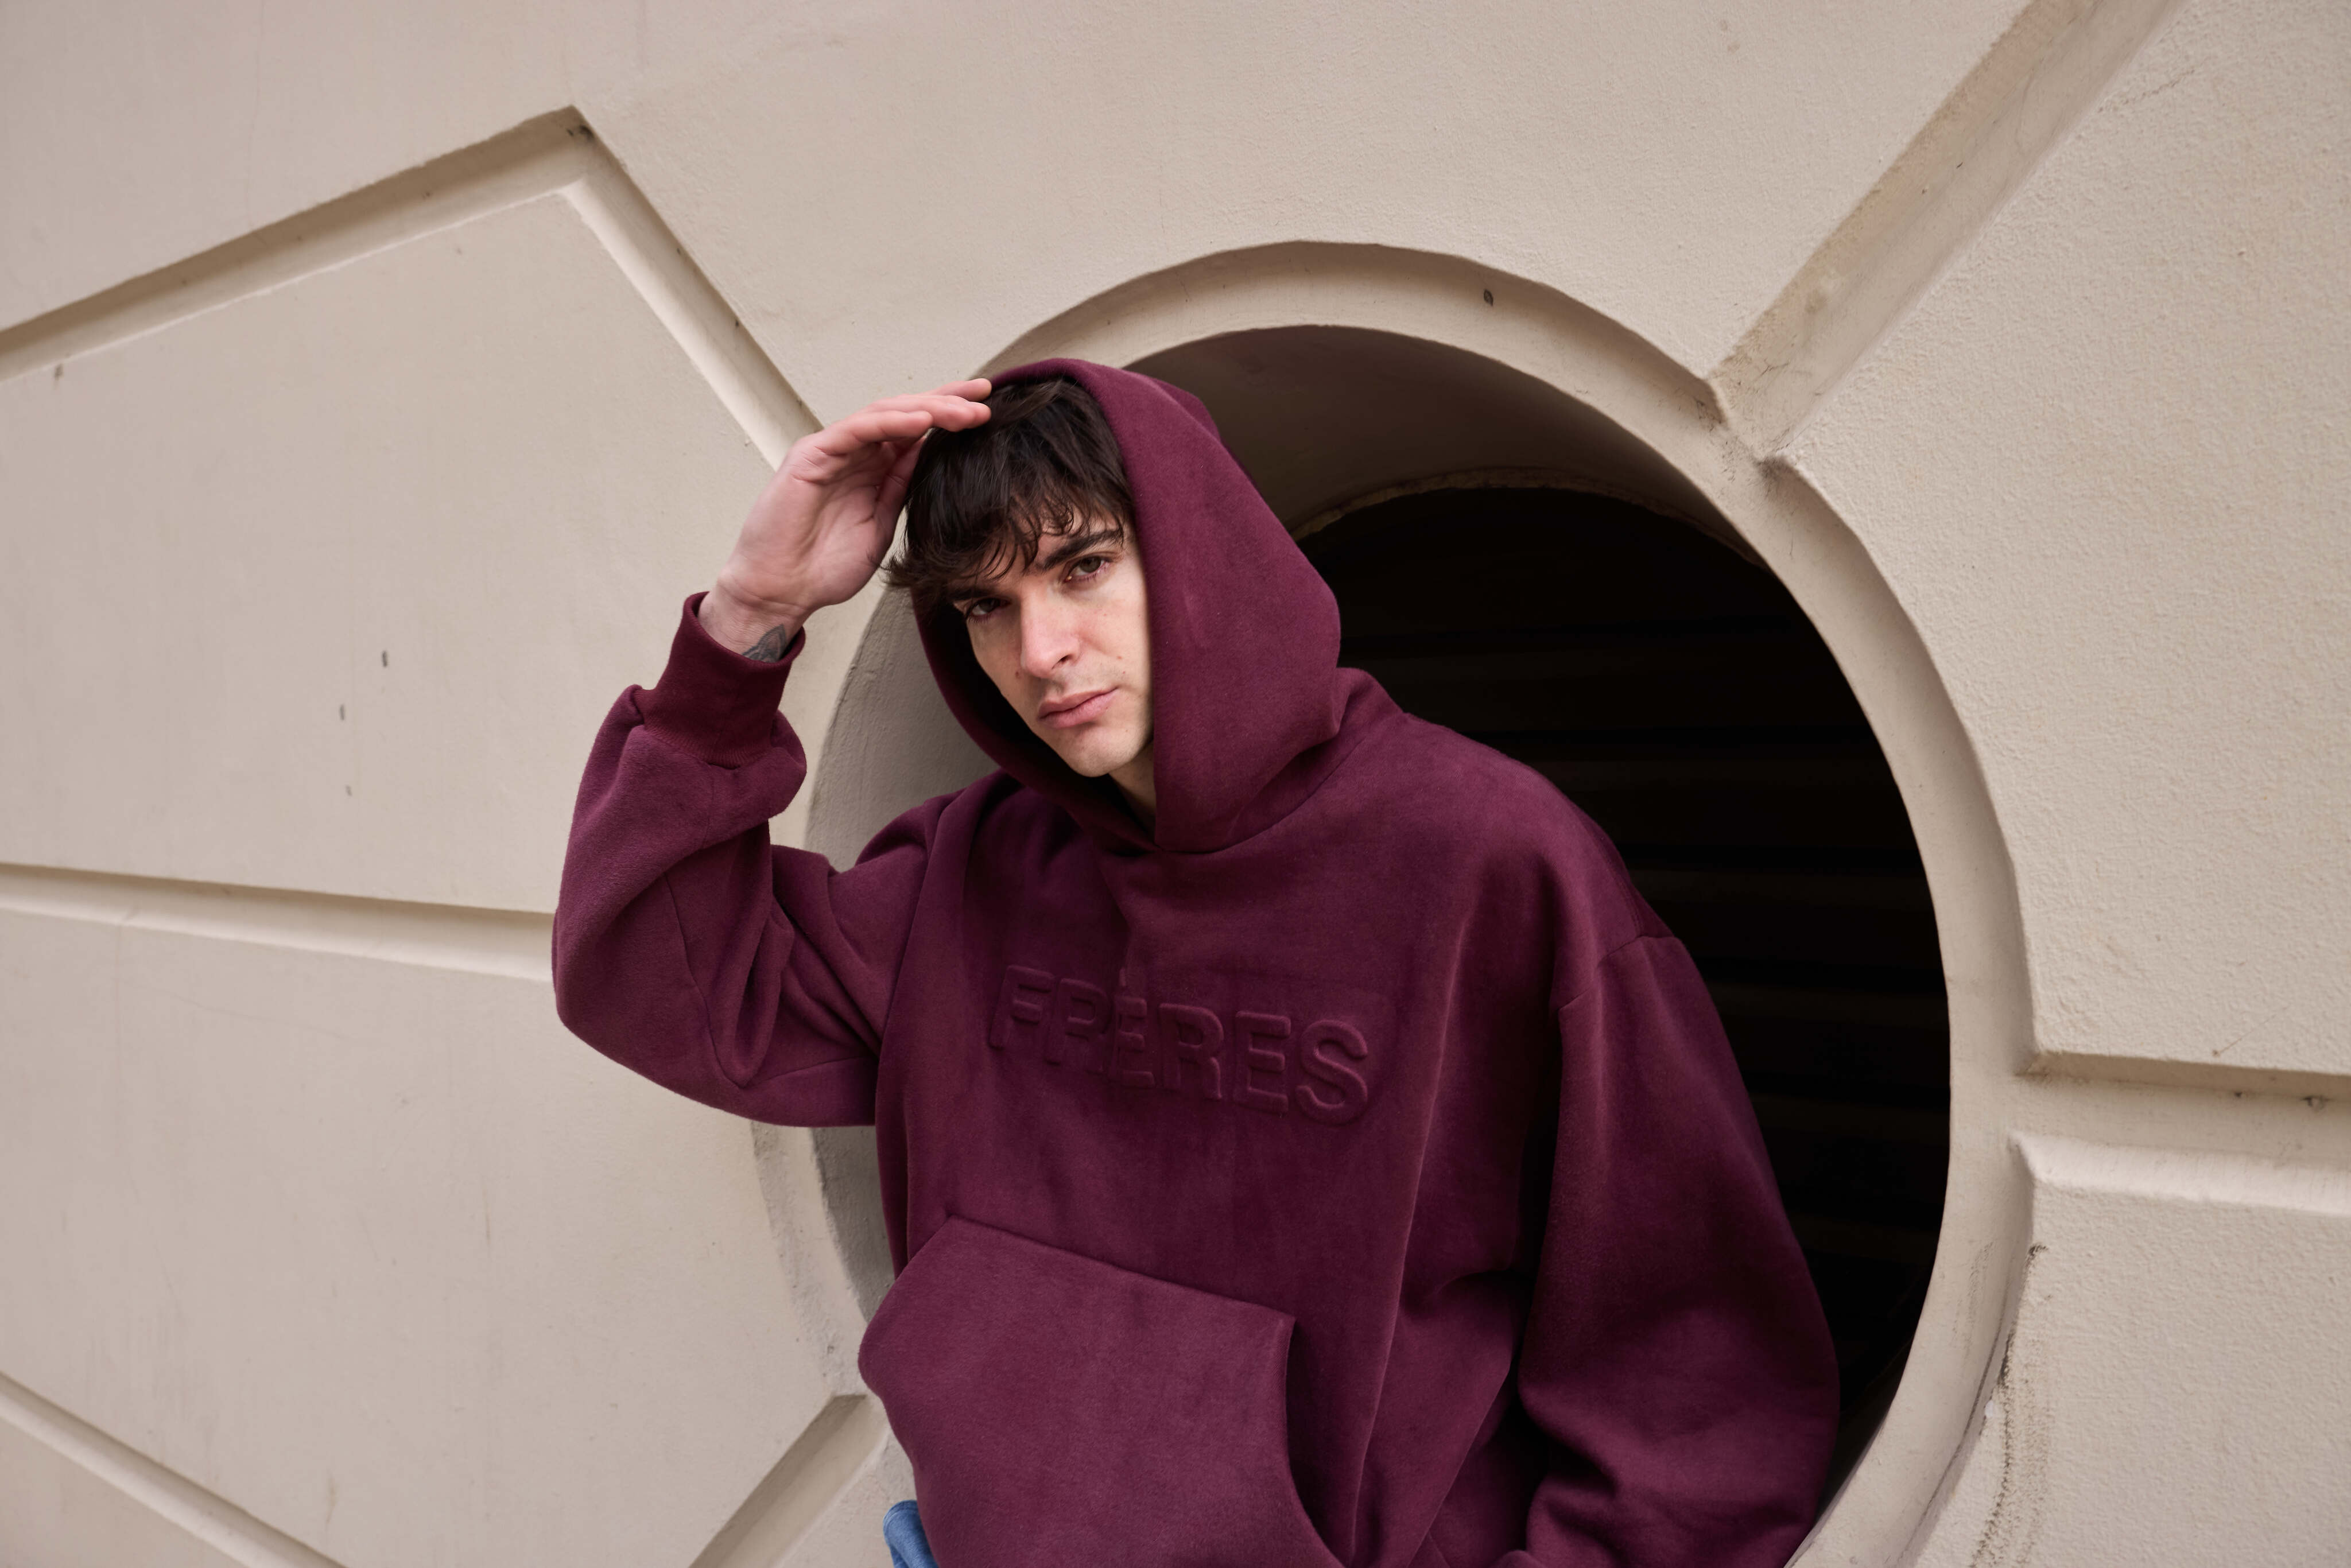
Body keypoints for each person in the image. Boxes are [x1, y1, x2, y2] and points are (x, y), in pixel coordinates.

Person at [553, 360, 1838, 1568]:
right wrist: (749, 619)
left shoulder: (1491, 862)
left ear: (1199, 548)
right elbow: (660, 979)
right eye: (986, 606)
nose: (1039, 650)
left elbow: (1693, 1378)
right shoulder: (969, 866)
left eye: (1083, 567)